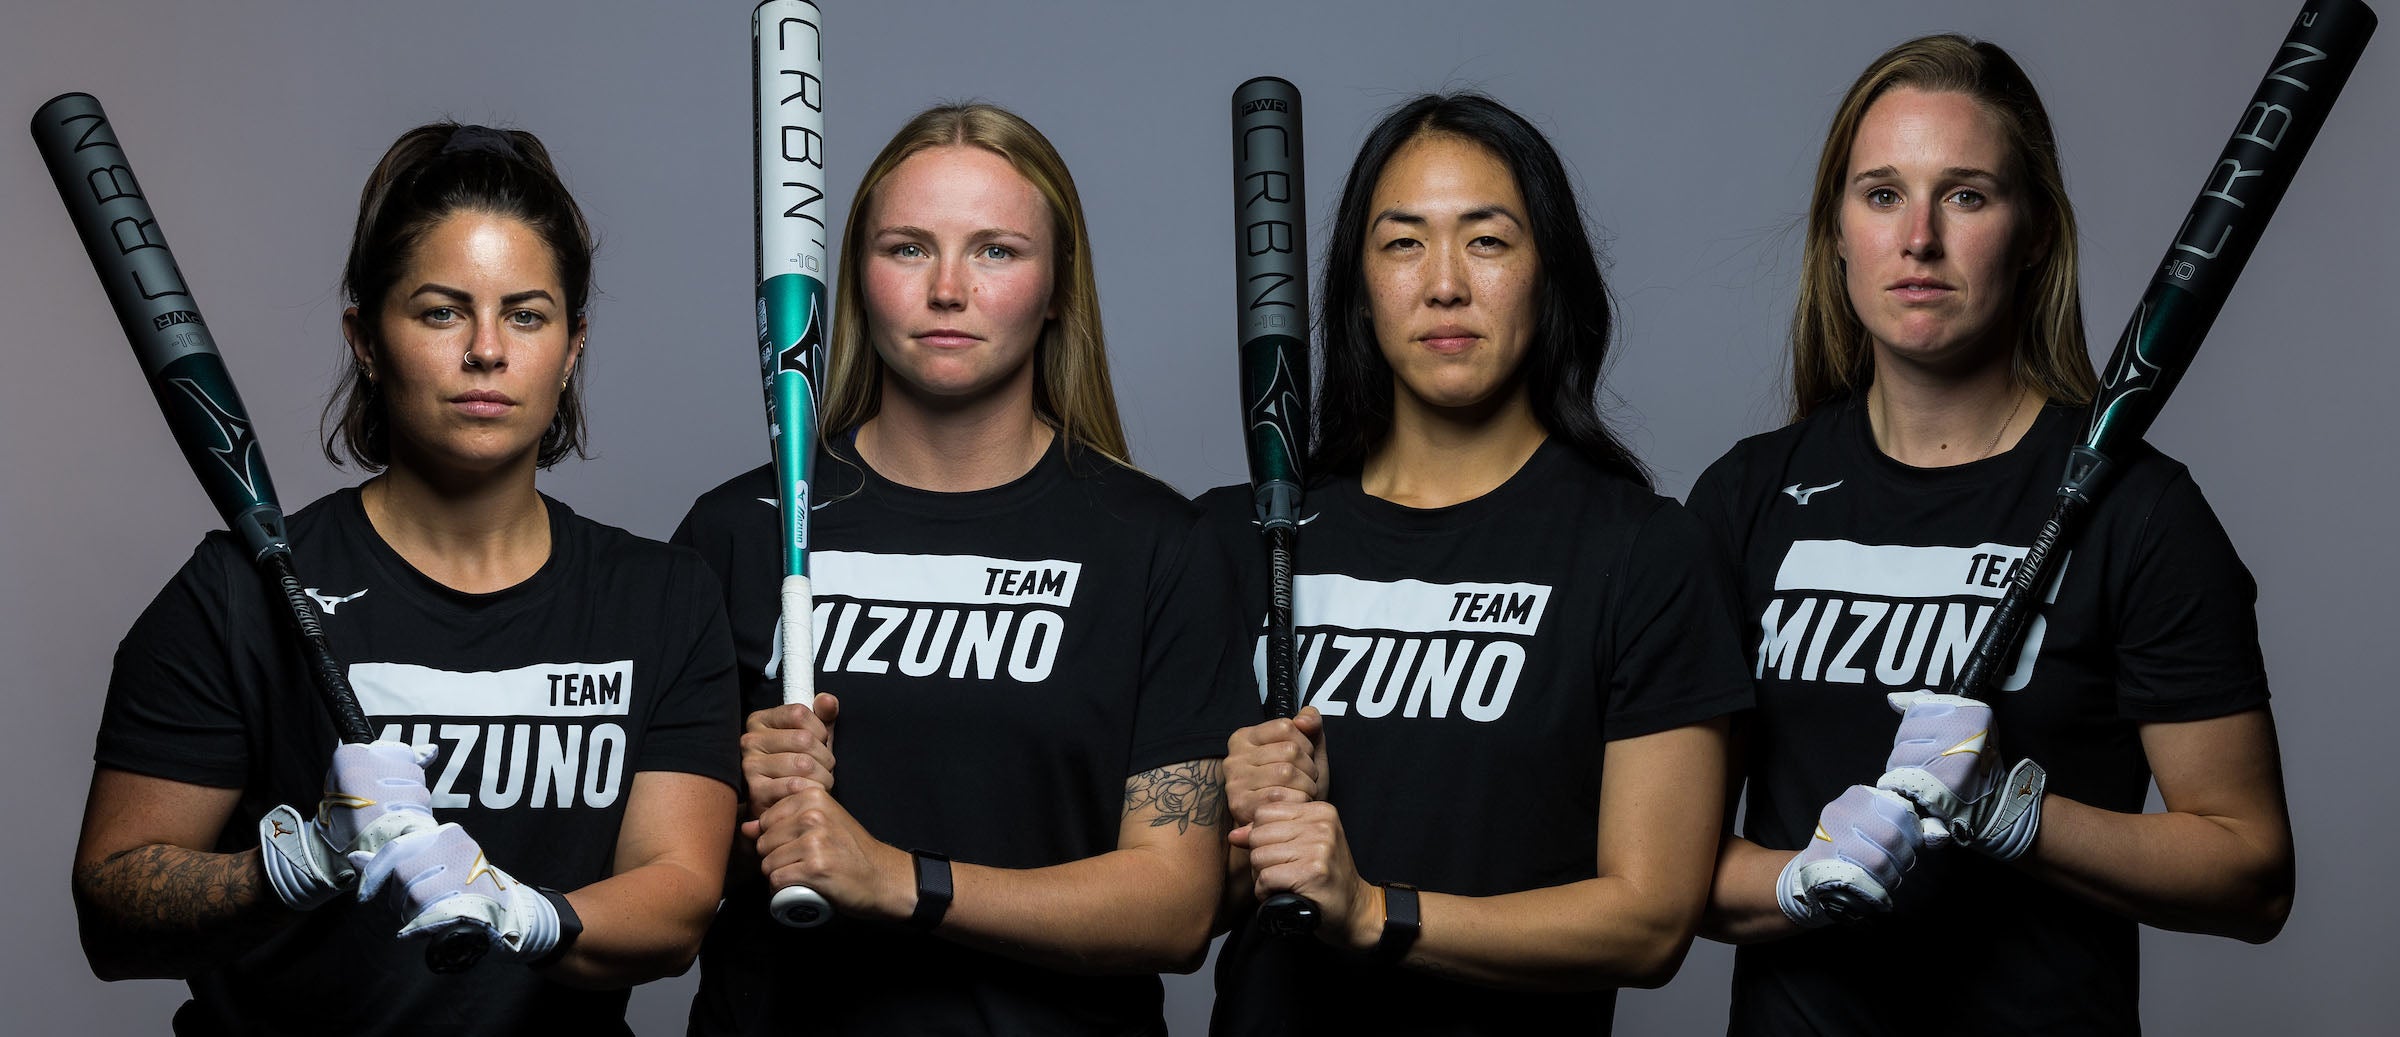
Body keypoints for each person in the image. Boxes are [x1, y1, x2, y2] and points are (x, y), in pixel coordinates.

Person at [70, 122, 741, 1036]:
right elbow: (112, 916)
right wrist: (301, 859)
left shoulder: (663, 596)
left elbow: (678, 902)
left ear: (573, 344)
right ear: (367, 338)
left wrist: (522, 911)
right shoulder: (239, 591)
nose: (487, 351)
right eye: (440, 311)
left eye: (528, 314)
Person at [1688, 35, 2295, 1035]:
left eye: (1965, 194)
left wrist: (2020, 820)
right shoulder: (1747, 497)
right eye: (1882, 193)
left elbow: (2252, 872)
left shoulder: (2141, 512)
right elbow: (1661, 866)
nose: (1918, 237)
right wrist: (1800, 874)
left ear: (2034, 233)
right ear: (1836, 232)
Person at [677, 102, 1252, 1036]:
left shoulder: (1156, 545)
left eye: (996, 250)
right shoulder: (738, 531)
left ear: (1058, 285)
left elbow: (1176, 906)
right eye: (907, 248)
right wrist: (748, 814)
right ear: (858, 281)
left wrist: (898, 879)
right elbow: (664, 885)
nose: (948, 288)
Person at [1207, 93, 1753, 1036]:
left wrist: (1377, 910)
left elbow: (1651, 920)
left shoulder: (1644, 553)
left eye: (1488, 241)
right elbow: (1179, 904)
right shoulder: (1246, 540)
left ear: (1550, 275)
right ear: (1358, 283)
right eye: (1404, 242)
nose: (1446, 284)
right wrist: (1237, 820)